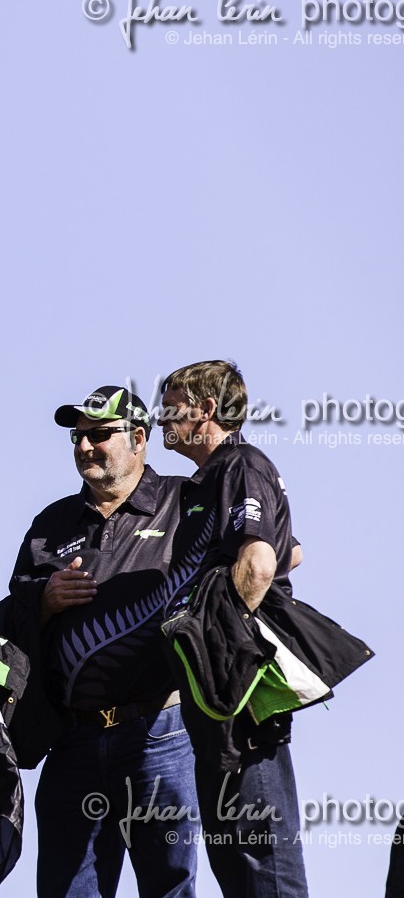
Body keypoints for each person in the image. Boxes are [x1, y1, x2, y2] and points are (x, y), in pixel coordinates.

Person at [7, 386, 201, 897]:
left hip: (160, 730)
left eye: (99, 434)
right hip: (73, 740)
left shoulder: (185, 500)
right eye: (77, 437)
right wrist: (45, 599)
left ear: (139, 439)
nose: (85, 447)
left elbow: (269, 546)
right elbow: (10, 617)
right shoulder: (51, 523)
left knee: (170, 886)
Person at [159, 361, 308, 896]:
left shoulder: (240, 463)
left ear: (206, 410)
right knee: (232, 851)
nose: (162, 416)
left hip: (238, 693)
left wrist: (222, 664)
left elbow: (264, 562)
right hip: (218, 696)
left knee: (260, 850)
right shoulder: (209, 478)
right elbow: (294, 551)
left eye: (173, 405)